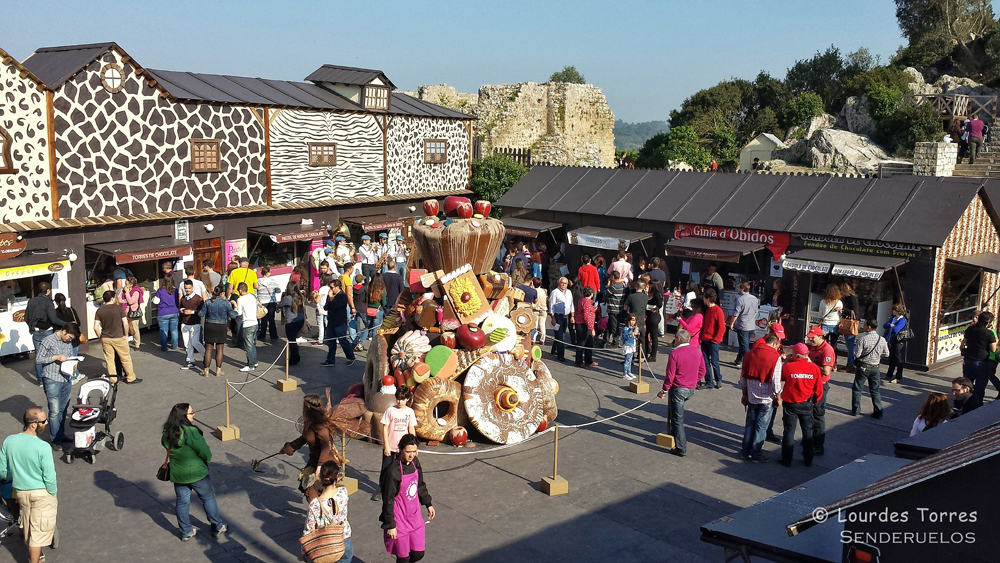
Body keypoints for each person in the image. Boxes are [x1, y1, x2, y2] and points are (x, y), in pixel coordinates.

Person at [0, 408, 58, 563]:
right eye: (43, 421)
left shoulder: (9, 441)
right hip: (41, 493)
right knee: (38, 534)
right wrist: (52, 493)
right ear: (33, 424)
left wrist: (18, 475)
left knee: (30, 528)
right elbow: (49, 475)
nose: (46, 423)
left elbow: (3, 471)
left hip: (21, 493)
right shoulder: (43, 447)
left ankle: (38, 557)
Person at [161, 403, 227, 541]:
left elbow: (165, 444)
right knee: (208, 498)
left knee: (182, 502)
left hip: (178, 474)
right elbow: (204, 451)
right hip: (197, 474)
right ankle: (217, 526)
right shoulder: (191, 432)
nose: (194, 415)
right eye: (192, 413)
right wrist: (207, 461)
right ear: (184, 416)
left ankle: (186, 531)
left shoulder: (167, 432)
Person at [380, 434, 434, 563]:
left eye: (414, 451)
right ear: (400, 450)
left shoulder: (415, 462)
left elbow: (420, 484)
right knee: (403, 557)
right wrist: (391, 525)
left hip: (414, 517)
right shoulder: (393, 471)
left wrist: (428, 504)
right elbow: (388, 500)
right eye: (408, 452)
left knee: (418, 553)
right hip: (399, 520)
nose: (412, 455)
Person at [281, 394, 344, 502]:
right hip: (314, 461)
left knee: (312, 492)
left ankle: (320, 515)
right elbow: (305, 437)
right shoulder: (310, 423)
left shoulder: (321, 427)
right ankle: (319, 514)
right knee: (311, 491)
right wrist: (288, 448)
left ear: (308, 407)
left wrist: (319, 468)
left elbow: (325, 447)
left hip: (326, 463)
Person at [656, 329, 704, 457]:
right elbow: (703, 371)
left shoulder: (675, 353)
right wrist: (694, 380)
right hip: (690, 388)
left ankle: (681, 447)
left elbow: (670, 375)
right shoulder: (697, 351)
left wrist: (664, 390)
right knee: (675, 415)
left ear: (678, 339)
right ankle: (674, 436)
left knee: (677, 419)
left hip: (678, 389)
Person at [35, 323, 81, 449]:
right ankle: (54, 439)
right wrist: (55, 357)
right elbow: (39, 359)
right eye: (69, 337)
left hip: (66, 378)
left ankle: (61, 435)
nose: (70, 340)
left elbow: (69, 356)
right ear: (64, 331)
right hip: (52, 379)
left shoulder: (68, 342)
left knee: (63, 408)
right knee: (55, 411)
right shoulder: (48, 340)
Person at [739, 334, 783, 462]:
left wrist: (744, 394)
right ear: (774, 344)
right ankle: (756, 454)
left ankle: (745, 452)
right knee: (761, 427)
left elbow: (743, 379)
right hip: (766, 398)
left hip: (752, 396)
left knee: (750, 425)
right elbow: (776, 382)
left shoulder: (749, 354)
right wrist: (778, 397)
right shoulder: (775, 357)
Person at [778, 344, 823, 467]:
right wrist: (816, 401)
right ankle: (808, 459)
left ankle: (787, 459)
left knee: (789, 431)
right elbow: (819, 389)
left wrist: (786, 361)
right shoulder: (814, 368)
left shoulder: (789, 367)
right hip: (806, 403)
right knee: (807, 431)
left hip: (790, 404)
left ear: (796, 354)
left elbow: (778, 378)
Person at [302, 460, 353, 563]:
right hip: (344, 539)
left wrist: (304, 550)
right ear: (337, 477)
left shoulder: (315, 503)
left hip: (325, 544)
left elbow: (308, 529)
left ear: (320, 478)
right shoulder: (343, 492)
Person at [376, 386, 417, 502]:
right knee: (386, 469)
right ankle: (382, 490)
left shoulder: (410, 412)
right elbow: (385, 428)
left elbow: (411, 429)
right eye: (398, 399)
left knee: (402, 470)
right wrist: (387, 445)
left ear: (407, 399)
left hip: (403, 449)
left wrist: (413, 448)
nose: (399, 401)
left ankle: (399, 490)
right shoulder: (390, 410)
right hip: (391, 446)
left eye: (402, 399)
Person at [94, 291, 141, 384]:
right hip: (118, 336)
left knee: (109, 359)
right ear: (112, 298)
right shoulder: (119, 309)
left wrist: (100, 337)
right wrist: (126, 335)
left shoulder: (99, 311)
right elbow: (125, 323)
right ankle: (130, 377)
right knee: (125, 357)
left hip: (105, 337)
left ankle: (113, 379)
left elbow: (95, 327)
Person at [25, 282, 66, 384]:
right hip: (47, 332)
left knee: (39, 357)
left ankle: (40, 381)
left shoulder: (31, 301)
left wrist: (32, 327)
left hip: (36, 332)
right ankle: (51, 377)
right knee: (51, 355)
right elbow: (53, 319)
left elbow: (26, 317)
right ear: (48, 291)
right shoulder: (48, 302)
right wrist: (67, 324)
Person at [805, 326, 835, 455]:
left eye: (813, 338)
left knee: (818, 414)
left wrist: (810, 363)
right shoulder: (814, 348)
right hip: (811, 384)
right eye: (809, 337)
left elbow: (826, 370)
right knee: (809, 413)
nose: (810, 340)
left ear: (820, 337)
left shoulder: (827, 350)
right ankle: (810, 440)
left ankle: (818, 445)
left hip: (821, 385)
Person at [851, 319, 889, 418]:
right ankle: (878, 411)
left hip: (863, 366)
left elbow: (857, 354)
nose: (863, 327)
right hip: (875, 366)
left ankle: (856, 410)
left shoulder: (863, 339)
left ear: (868, 327)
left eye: (864, 325)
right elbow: (887, 353)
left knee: (858, 388)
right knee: (875, 390)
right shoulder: (882, 339)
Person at [959, 310, 996, 400]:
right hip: (981, 361)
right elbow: (993, 349)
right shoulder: (989, 333)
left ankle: (964, 401)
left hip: (968, 359)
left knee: (967, 383)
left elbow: (965, 342)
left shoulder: (970, 329)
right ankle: (976, 404)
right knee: (980, 384)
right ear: (988, 322)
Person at [203, 284, 238, 377]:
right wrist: (235, 307)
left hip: (209, 325)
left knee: (208, 348)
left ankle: (206, 370)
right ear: (222, 293)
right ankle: (218, 370)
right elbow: (233, 315)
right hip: (221, 326)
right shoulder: (226, 303)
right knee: (220, 348)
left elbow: (201, 313)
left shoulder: (208, 302)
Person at [322, 279, 356, 367]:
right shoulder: (330, 296)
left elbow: (337, 306)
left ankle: (350, 357)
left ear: (337, 287)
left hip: (340, 322)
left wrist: (331, 298)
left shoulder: (343, 296)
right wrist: (330, 299)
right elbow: (326, 307)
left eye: (332, 287)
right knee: (331, 342)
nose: (330, 289)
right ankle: (330, 360)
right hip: (331, 321)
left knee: (343, 340)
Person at [53, 293, 85, 384]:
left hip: (64, 338)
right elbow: (78, 323)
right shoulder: (71, 310)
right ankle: (73, 377)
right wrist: (71, 323)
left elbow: (55, 327)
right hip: (74, 338)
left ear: (56, 302)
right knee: (73, 358)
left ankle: (76, 375)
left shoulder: (55, 313)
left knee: (67, 358)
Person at [700, 288, 726, 390]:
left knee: (714, 362)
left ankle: (718, 380)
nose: (703, 300)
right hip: (705, 339)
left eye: (704, 298)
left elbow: (721, 328)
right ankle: (709, 381)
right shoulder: (707, 310)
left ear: (708, 299)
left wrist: (716, 339)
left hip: (713, 341)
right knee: (705, 362)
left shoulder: (718, 311)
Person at [178, 280, 206, 370]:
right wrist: (181, 310)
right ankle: (190, 360)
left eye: (189, 288)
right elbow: (180, 307)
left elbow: (203, 311)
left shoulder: (198, 299)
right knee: (187, 344)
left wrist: (192, 312)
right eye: (186, 288)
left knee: (195, 342)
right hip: (185, 323)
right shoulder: (183, 299)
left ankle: (206, 356)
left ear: (192, 288)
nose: (187, 290)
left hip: (195, 323)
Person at [730, 282, 759, 367]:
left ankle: (749, 363)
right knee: (744, 344)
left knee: (744, 346)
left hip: (743, 326)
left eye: (738, 288)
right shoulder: (754, 299)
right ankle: (739, 360)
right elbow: (756, 312)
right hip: (751, 325)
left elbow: (736, 313)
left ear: (742, 289)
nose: (737, 289)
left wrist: (732, 323)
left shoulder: (740, 300)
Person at [232, 282, 259, 372]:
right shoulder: (252, 296)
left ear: (240, 290)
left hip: (247, 323)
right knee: (252, 344)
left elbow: (239, 313)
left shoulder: (240, 300)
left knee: (248, 346)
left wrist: (235, 306)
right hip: (255, 322)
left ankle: (250, 364)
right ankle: (254, 361)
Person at [548, 277, 575, 362]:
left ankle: (554, 349)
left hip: (566, 317)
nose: (564, 285)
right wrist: (553, 318)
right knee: (560, 337)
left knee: (561, 334)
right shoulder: (555, 292)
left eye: (565, 283)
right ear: (559, 283)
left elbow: (571, 304)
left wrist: (572, 316)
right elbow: (551, 306)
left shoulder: (569, 292)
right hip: (558, 316)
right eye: (562, 283)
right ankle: (561, 355)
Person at [883, 303, 910, 384]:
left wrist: (891, 326)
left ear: (897, 311)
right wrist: (891, 325)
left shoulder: (902, 320)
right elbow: (884, 325)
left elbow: (896, 330)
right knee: (891, 359)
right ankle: (889, 374)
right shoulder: (894, 318)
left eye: (894, 310)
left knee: (898, 359)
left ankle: (898, 377)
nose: (892, 311)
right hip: (891, 340)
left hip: (898, 341)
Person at [281, 281, 306, 365]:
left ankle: (294, 358)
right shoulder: (300, 296)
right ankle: (296, 356)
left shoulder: (288, 298)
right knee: (294, 339)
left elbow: (279, 305)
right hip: (300, 320)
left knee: (291, 341)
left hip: (291, 321)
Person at [153, 276, 180, 352]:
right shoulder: (176, 290)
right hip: (174, 311)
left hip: (163, 313)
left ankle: (164, 348)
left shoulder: (160, 290)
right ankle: (174, 346)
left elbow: (156, 302)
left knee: (164, 331)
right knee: (174, 330)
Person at [602, 271, 628, 347]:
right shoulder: (622, 285)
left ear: (613, 277)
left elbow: (605, 294)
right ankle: (605, 340)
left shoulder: (614, 286)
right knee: (610, 325)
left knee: (614, 326)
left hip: (613, 309)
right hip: (619, 308)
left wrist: (607, 285)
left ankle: (615, 342)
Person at [839, 283, 860, 371]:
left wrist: (843, 310)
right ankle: (850, 363)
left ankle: (851, 364)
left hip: (851, 324)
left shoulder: (852, 299)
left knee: (850, 345)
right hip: (849, 324)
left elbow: (854, 312)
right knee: (849, 345)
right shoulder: (848, 298)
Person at [257, 265, 282, 343]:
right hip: (271, 302)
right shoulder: (273, 281)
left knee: (263, 319)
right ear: (267, 273)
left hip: (262, 302)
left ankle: (262, 336)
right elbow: (278, 290)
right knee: (271, 319)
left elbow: (256, 291)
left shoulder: (258, 281)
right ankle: (274, 336)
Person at [575, 287, 597, 368]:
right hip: (584, 324)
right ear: (591, 294)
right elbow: (587, 317)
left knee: (589, 343)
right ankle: (579, 361)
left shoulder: (582, 300)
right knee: (582, 343)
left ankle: (588, 360)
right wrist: (592, 329)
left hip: (582, 323)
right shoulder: (587, 303)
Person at [120, 276, 144, 350]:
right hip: (125, 311)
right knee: (125, 327)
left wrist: (127, 293)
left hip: (133, 312)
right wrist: (126, 300)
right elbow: (119, 300)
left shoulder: (136, 291)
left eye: (126, 284)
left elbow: (131, 301)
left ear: (131, 284)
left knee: (134, 328)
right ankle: (125, 342)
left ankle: (137, 343)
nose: (125, 285)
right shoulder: (123, 291)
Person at [818, 284, 843, 349]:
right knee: (834, 344)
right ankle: (833, 358)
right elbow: (841, 315)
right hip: (835, 324)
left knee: (823, 344)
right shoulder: (839, 302)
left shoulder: (823, 302)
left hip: (825, 324)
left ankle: (824, 357)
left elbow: (820, 315)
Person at [644, 283, 664, 362]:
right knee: (646, 334)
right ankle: (645, 352)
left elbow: (659, 304)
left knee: (653, 335)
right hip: (648, 316)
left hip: (654, 316)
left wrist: (652, 307)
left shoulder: (657, 295)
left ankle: (653, 355)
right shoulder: (648, 294)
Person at [366, 273, 388, 341]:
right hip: (378, 310)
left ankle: (361, 343)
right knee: (376, 328)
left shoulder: (368, 288)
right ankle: (374, 343)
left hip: (369, 309)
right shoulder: (382, 289)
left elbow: (363, 299)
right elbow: (384, 303)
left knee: (368, 327)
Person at [351, 275, 368, 351]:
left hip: (356, 307)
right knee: (367, 325)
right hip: (363, 308)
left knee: (357, 324)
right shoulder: (364, 288)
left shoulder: (353, 288)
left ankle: (359, 337)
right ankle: (361, 340)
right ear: (361, 281)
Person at [621, 313, 639, 381]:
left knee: (630, 360)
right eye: (632, 320)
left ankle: (629, 372)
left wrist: (637, 332)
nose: (633, 322)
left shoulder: (633, 328)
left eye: (634, 320)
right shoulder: (626, 329)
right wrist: (632, 334)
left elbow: (637, 336)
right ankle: (625, 374)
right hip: (627, 346)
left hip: (632, 345)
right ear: (628, 320)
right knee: (627, 360)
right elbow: (625, 337)